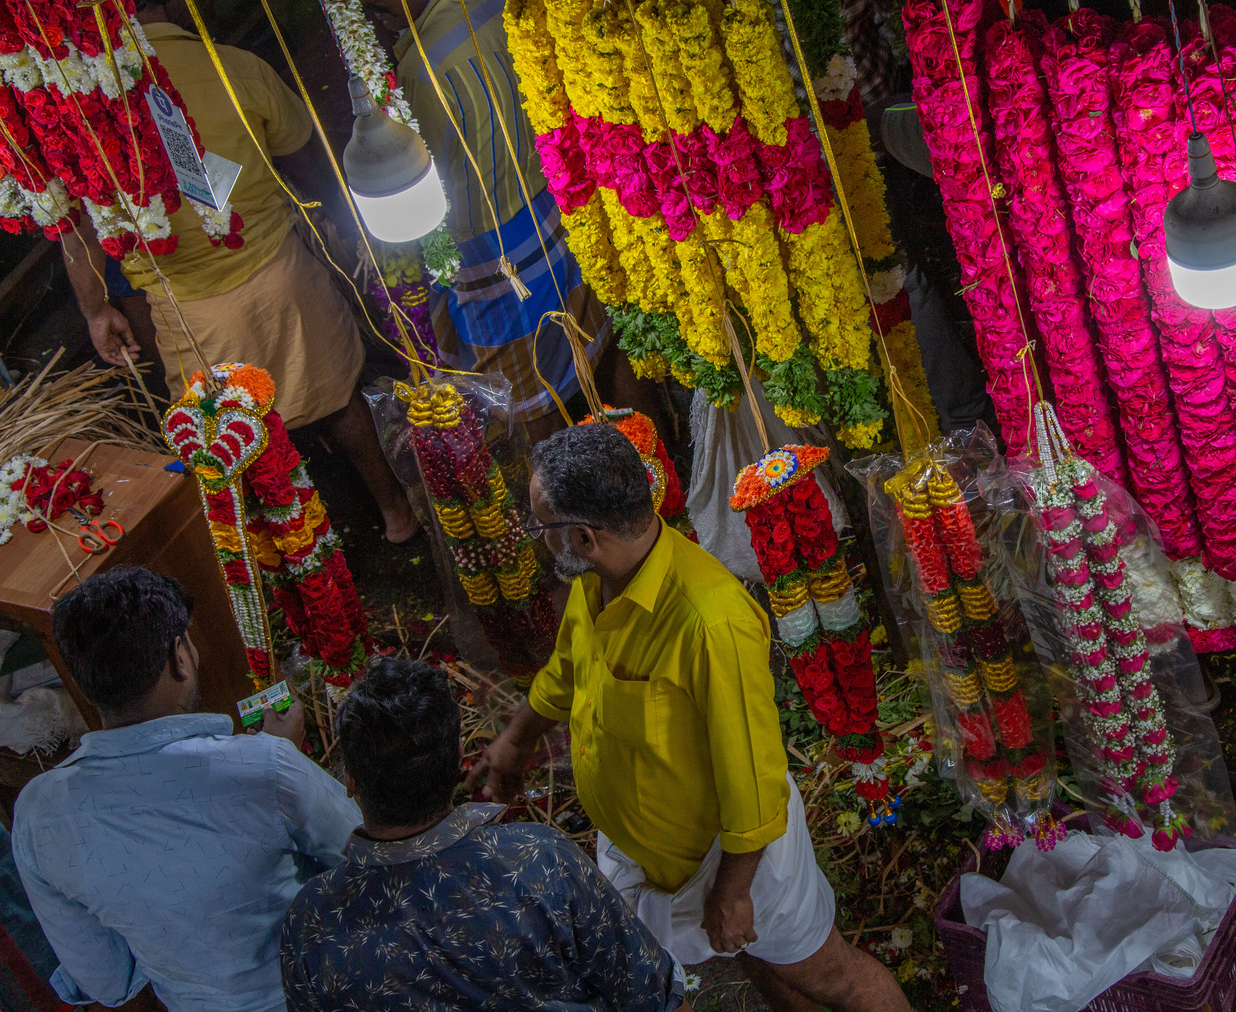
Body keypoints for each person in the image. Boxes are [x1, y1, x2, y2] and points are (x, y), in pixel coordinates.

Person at [467, 424, 912, 1012]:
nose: (535, 538)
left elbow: (754, 776)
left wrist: (732, 890)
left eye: (541, 527)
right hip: (656, 856)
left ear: (582, 536)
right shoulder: (598, 581)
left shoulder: (710, 622)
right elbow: (570, 669)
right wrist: (516, 741)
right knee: (760, 965)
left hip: (733, 862)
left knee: (831, 978)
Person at [63, 0, 416, 542]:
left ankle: (289, 560)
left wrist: (97, 310)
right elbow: (306, 162)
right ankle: (395, 515)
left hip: (189, 314)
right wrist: (346, 225)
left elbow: (75, 224)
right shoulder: (233, 67)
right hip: (282, 277)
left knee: (234, 444)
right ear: (174, 1)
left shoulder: (91, 115)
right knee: (340, 403)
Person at [9, 566, 360, 1012]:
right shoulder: (264, 767)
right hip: (326, 991)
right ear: (179, 657)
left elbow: (108, 981)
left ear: (81, 680)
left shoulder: (39, 814)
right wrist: (286, 763)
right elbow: (366, 854)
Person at [280, 655, 691, 1012]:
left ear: (350, 779)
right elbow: (656, 996)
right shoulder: (538, 861)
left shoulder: (313, 921)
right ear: (459, 760)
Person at [336, 0, 610, 435]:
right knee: (592, 352)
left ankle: (569, 496)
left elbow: (432, 193)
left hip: (497, 252)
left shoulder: (422, 69)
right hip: (560, 209)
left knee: (528, 402)